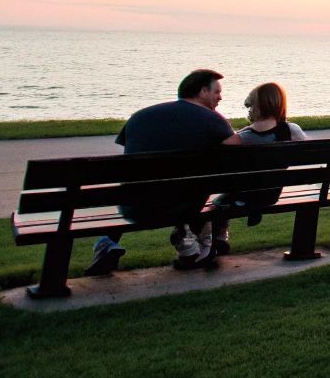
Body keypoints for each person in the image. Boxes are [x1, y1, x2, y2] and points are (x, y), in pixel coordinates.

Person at [84, 69, 240, 276]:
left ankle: (106, 243)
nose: (220, 97)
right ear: (203, 91)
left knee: (145, 184)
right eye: (217, 92)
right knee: (191, 187)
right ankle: (188, 243)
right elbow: (240, 152)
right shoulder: (211, 119)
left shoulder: (140, 116)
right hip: (181, 207)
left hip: (133, 208)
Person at [211, 82, 309, 246]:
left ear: (256, 107)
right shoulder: (292, 130)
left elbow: (217, 153)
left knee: (217, 204)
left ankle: (220, 235)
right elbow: (308, 151)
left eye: (250, 107)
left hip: (242, 195)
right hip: (271, 194)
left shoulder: (244, 136)